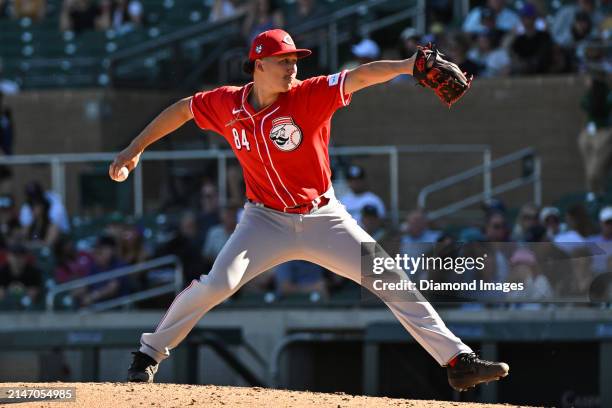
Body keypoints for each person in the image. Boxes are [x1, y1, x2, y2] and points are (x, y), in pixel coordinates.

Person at [110, 28, 509, 389]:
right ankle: (148, 354)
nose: (292, 67)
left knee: (389, 278)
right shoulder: (228, 104)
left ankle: (458, 360)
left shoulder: (309, 94)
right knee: (217, 284)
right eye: (283, 60)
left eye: (295, 60)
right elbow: (182, 108)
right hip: (263, 220)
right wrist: (133, 149)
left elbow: (362, 75)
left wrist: (409, 65)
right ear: (259, 64)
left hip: (323, 217)